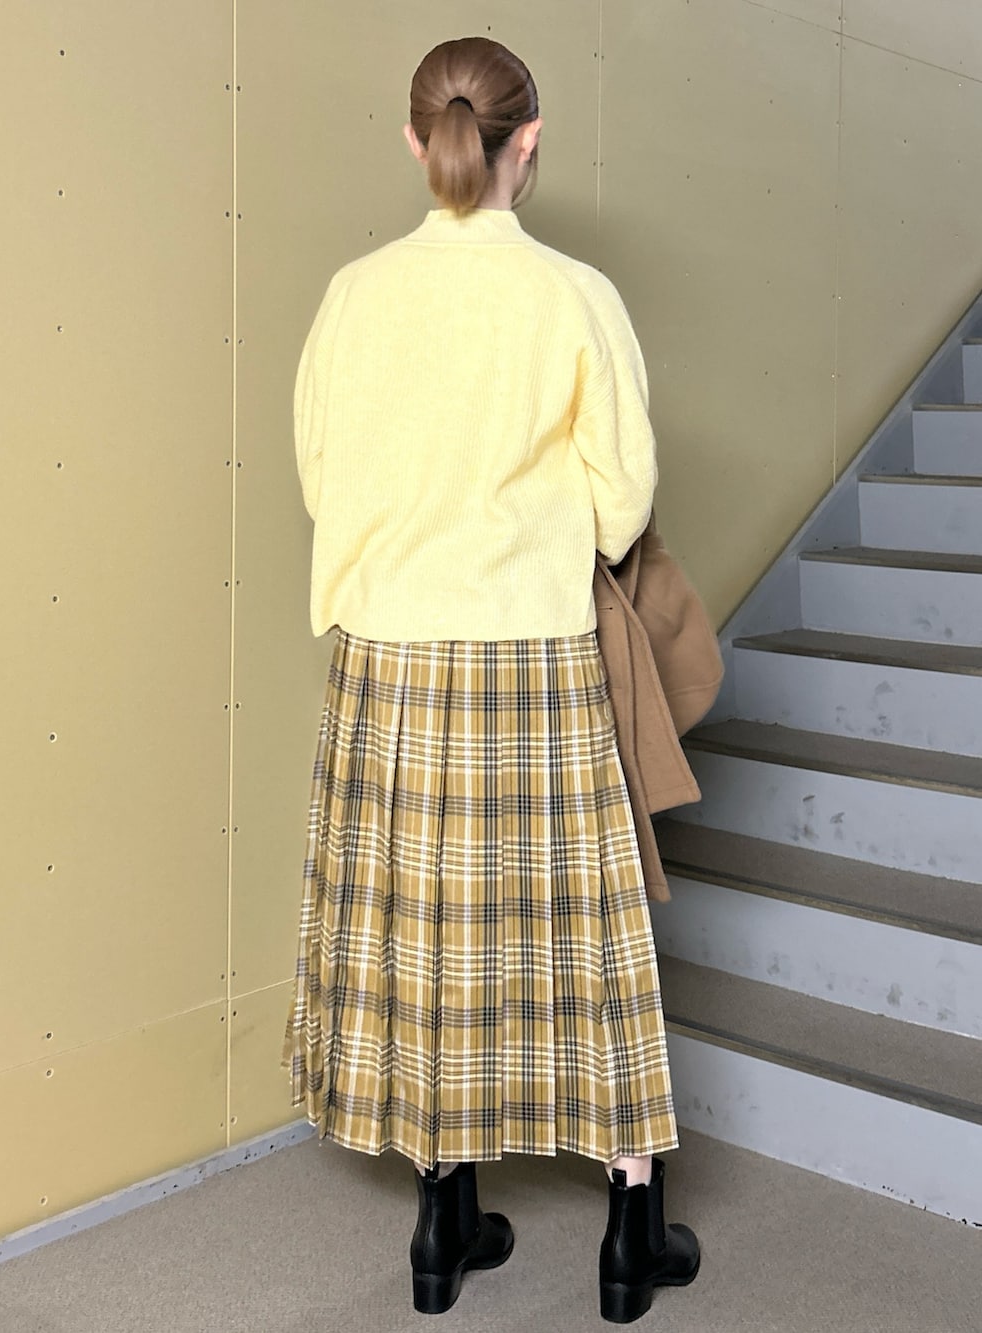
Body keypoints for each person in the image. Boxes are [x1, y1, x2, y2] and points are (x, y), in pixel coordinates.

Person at [282, 35, 700, 1324]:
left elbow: (323, 479)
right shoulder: (574, 294)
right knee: (585, 936)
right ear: (531, 141)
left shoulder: (354, 295)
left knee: (424, 938)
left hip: (387, 663)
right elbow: (622, 502)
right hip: (529, 655)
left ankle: (441, 1223)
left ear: (417, 140)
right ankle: (630, 1238)